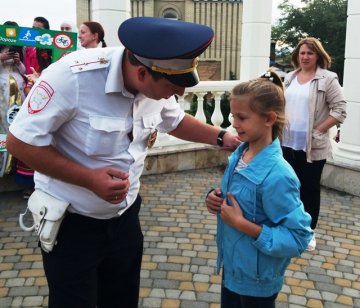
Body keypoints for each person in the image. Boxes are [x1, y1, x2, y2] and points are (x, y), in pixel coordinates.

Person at [7, 16, 240, 308]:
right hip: (71, 223)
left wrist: (221, 137)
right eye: (173, 86)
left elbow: (174, 120)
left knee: (121, 299)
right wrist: (89, 179)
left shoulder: (159, 77)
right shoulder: (72, 77)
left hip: (125, 218)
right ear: (142, 73)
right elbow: (20, 143)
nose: (180, 93)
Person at [205, 71, 313, 307]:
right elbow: (234, 198)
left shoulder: (279, 176)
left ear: (269, 119)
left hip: (257, 282)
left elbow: (298, 237)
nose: (234, 123)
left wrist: (242, 225)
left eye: (242, 117)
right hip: (233, 268)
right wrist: (214, 198)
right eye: (233, 116)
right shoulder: (239, 155)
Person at [281, 37, 347, 251]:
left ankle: (308, 232)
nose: (305, 56)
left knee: (309, 189)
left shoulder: (327, 79)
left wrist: (319, 130)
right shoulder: (289, 78)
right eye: (302, 53)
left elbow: (340, 110)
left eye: (310, 53)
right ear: (297, 56)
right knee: (289, 187)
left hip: (312, 146)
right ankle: (291, 226)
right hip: (287, 143)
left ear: (318, 55)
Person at [0, 21, 26, 177]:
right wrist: (1, 58)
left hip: (19, 87)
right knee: (3, 123)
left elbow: (24, 70)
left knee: (17, 123)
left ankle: (17, 164)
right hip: (2, 88)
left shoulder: (20, 47)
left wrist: (18, 61)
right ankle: (4, 163)